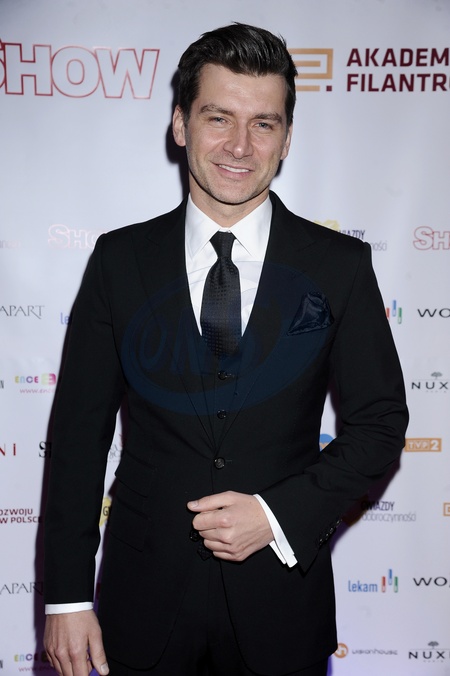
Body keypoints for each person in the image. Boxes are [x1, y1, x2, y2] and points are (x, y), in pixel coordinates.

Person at [43, 22, 408, 676]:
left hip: (281, 604)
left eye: (264, 124)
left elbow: (380, 424)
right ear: (180, 124)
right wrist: (67, 595)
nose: (240, 146)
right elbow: (77, 436)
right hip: (140, 600)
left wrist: (275, 515)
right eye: (219, 118)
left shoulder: (339, 266)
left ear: (286, 140)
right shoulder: (120, 261)